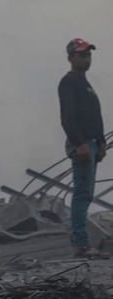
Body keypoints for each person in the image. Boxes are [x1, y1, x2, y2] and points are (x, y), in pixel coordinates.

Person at [59, 38, 109, 259]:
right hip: (82, 144)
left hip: (92, 143)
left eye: (88, 54)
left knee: (86, 194)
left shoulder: (85, 84)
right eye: (81, 55)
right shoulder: (69, 82)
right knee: (81, 194)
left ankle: (83, 243)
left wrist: (101, 142)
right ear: (71, 58)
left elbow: (93, 117)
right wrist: (80, 144)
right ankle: (81, 244)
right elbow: (67, 118)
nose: (86, 59)